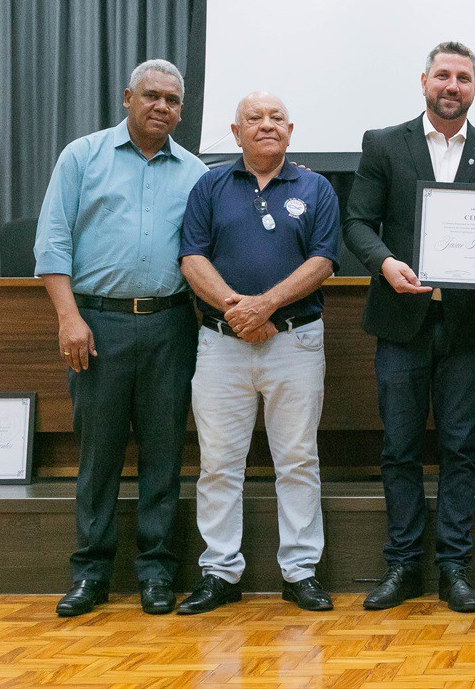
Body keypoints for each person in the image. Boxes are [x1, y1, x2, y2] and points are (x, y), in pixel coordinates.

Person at [343, 41, 475, 613]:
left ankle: (454, 568)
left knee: (461, 447)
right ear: (423, 82)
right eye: (442, 75)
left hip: (465, 324)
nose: (452, 85)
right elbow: (359, 222)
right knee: (398, 448)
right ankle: (402, 566)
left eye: (463, 78)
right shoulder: (383, 144)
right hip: (400, 320)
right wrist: (385, 263)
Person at [34, 59, 208, 617]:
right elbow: (52, 244)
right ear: (127, 97)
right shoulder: (82, 157)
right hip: (97, 324)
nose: (162, 107)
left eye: (173, 101)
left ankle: (157, 573)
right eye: (152, 96)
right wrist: (68, 318)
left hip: (171, 325)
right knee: (99, 455)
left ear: (182, 109)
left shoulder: (195, 171)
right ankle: (91, 574)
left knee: (163, 453)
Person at [175, 93, 339, 614]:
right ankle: (220, 571)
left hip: (296, 340)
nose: (266, 125)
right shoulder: (210, 185)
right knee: (219, 463)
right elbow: (190, 255)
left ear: (290, 131)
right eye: (254, 119)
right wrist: (237, 309)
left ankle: (300, 572)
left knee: (297, 459)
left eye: (276, 119)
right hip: (221, 344)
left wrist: (265, 305)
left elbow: (325, 259)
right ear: (235, 130)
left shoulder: (316, 187)